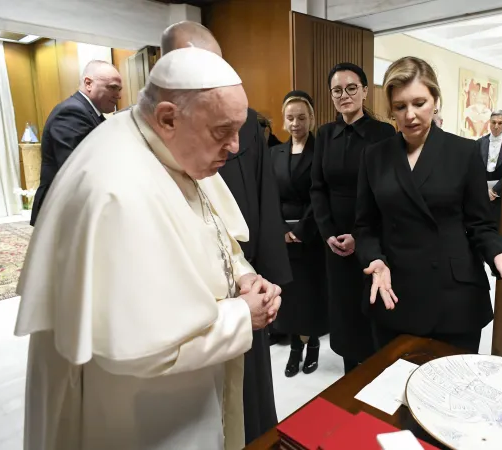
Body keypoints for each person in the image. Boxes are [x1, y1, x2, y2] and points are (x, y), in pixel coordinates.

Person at [15, 47, 282, 450]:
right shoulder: (116, 187)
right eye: (222, 132)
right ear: (169, 117)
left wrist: (242, 274)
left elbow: (212, 226)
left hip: (189, 395)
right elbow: (143, 350)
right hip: (143, 416)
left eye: (238, 131)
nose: (233, 147)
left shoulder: (170, 145)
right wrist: (243, 315)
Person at [354, 56, 502, 352]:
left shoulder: (464, 152)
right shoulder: (374, 156)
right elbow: (365, 225)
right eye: (400, 106)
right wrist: (374, 259)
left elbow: (480, 225)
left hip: (453, 297)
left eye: (419, 103)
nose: (410, 115)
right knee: (394, 389)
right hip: (394, 290)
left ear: (436, 100)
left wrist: (498, 253)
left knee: (454, 391)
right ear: (391, 109)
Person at [160, 21, 292, 444]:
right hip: (190, 306)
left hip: (242, 274)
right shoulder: (146, 144)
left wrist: (264, 274)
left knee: (248, 398)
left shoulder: (245, 123)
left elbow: (260, 198)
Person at [310, 62, 395, 374]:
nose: (343, 95)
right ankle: (349, 372)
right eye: (336, 90)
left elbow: (387, 190)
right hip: (334, 239)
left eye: (350, 88)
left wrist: (360, 237)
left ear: (364, 91)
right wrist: (328, 232)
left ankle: (375, 373)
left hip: (372, 235)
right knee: (343, 308)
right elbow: (317, 187)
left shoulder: (382, 133)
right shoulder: (324, 134)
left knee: (370, 306)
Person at [270, 90, 328, 377]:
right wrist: (281, 229)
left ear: (312, 119)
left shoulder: (321, 151)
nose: (296, 124)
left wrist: (302, 229)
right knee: (291, 296)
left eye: (301, 118)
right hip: (283, 237)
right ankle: (295, 347)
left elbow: (320, 196)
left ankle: (313, 344)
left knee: (310, 295)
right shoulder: (274, 153)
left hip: (312, 233)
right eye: (290, 118)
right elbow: (269, 197)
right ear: (283, 121)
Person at [31, 60, 122, 225]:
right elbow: (77, 168)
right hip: (63, 210)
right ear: (88, 83)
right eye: (113, 87)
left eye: (119, 89)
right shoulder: (72, 112)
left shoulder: (91, 114)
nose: (118, 95)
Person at [478, 110, 502, 227]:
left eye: (500, 123)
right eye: (493, 122)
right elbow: (475, 169)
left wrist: (495, 190)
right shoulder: (480, 143)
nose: (496, 126)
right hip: (481, 193)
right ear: (489, 123)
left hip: (501, 194)